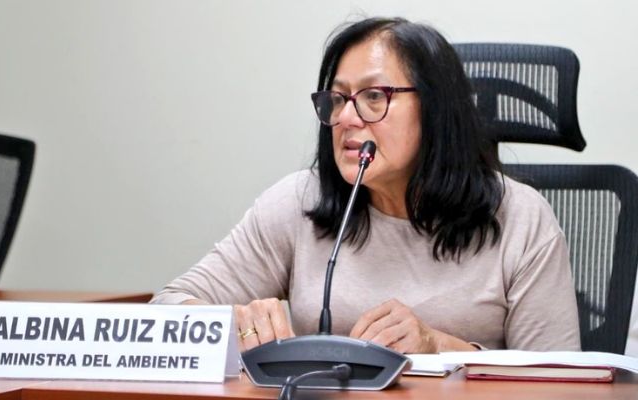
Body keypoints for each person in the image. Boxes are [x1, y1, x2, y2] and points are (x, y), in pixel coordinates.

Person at [151, 17, 581, 354]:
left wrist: (440, 347)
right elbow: (166, 307)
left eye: (374, 96)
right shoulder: (299, 202)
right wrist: (233, 326)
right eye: (338, 99)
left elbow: (562, 382)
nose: (346, 118)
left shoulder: (520, 218)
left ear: (434, 109)